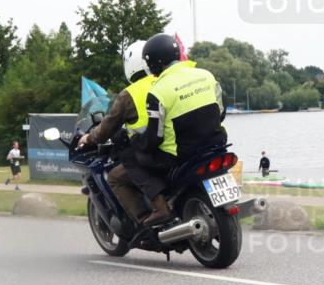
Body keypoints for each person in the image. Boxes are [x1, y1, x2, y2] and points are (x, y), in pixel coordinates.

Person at [131, 33, 226, 225]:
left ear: (154, 62)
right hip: (216, 144)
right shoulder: (206, 75)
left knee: (133, 159)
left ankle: (160, 208)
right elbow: (221, 111)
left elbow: (155, 137)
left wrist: (137, 142)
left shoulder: (157, 91)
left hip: (181, 154)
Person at [77, 40, 154, 222]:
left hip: (151, 152)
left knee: (115, 177)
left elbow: (107, 127)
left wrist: (89, 137)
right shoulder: (165, 81)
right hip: (177, 146)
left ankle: (144, 221)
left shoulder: (129, 94)